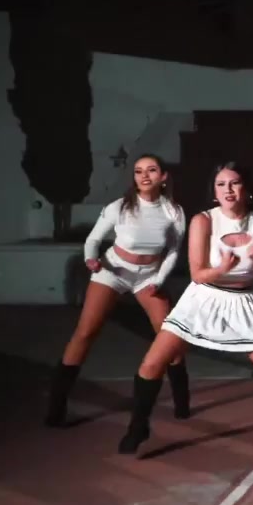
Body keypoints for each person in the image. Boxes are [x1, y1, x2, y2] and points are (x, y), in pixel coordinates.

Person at [116, 162, 253, 457]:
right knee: (152, 364)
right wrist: (222, 268)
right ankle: (138, 427)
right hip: (203, 298)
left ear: (247, 189)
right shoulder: (204, 220)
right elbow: (197, 274)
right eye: (221, 184)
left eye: (234, 183)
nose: (228, 190)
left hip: (244, 302)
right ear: (214, 191)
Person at [45, 153, 188, 428]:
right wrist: (90, 259)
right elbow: (93, 240)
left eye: (151, 170)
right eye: (138, 171)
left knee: (169, 337)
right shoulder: (120, 207)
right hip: (112, 271)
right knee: (86, 332)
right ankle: (57, 405)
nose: (144, 175)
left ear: (163, 177)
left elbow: (173, 251)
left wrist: (159, 279)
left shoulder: (174, 211)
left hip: (149, 277)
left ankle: (182, 402)